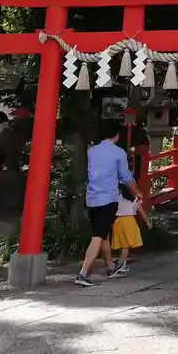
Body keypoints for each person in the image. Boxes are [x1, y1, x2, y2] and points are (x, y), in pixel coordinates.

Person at [77, 121, 140, 287]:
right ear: (116, 135)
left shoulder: (91, 151)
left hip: (92, 199)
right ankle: (83, 273)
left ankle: (111, 266)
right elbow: (126, 177)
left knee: (103, 234)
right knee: (98, 237)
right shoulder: (119, 152)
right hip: (108, 199)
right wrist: (137, 192)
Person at [110, 188, 146, 273]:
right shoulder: (133, 199)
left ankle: (121, 260)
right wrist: (147, 221)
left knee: (123, 243)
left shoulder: (117, 197)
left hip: (118, 221)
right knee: (126, 244)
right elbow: (141, 211)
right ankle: (122, 263)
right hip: (129, 221)